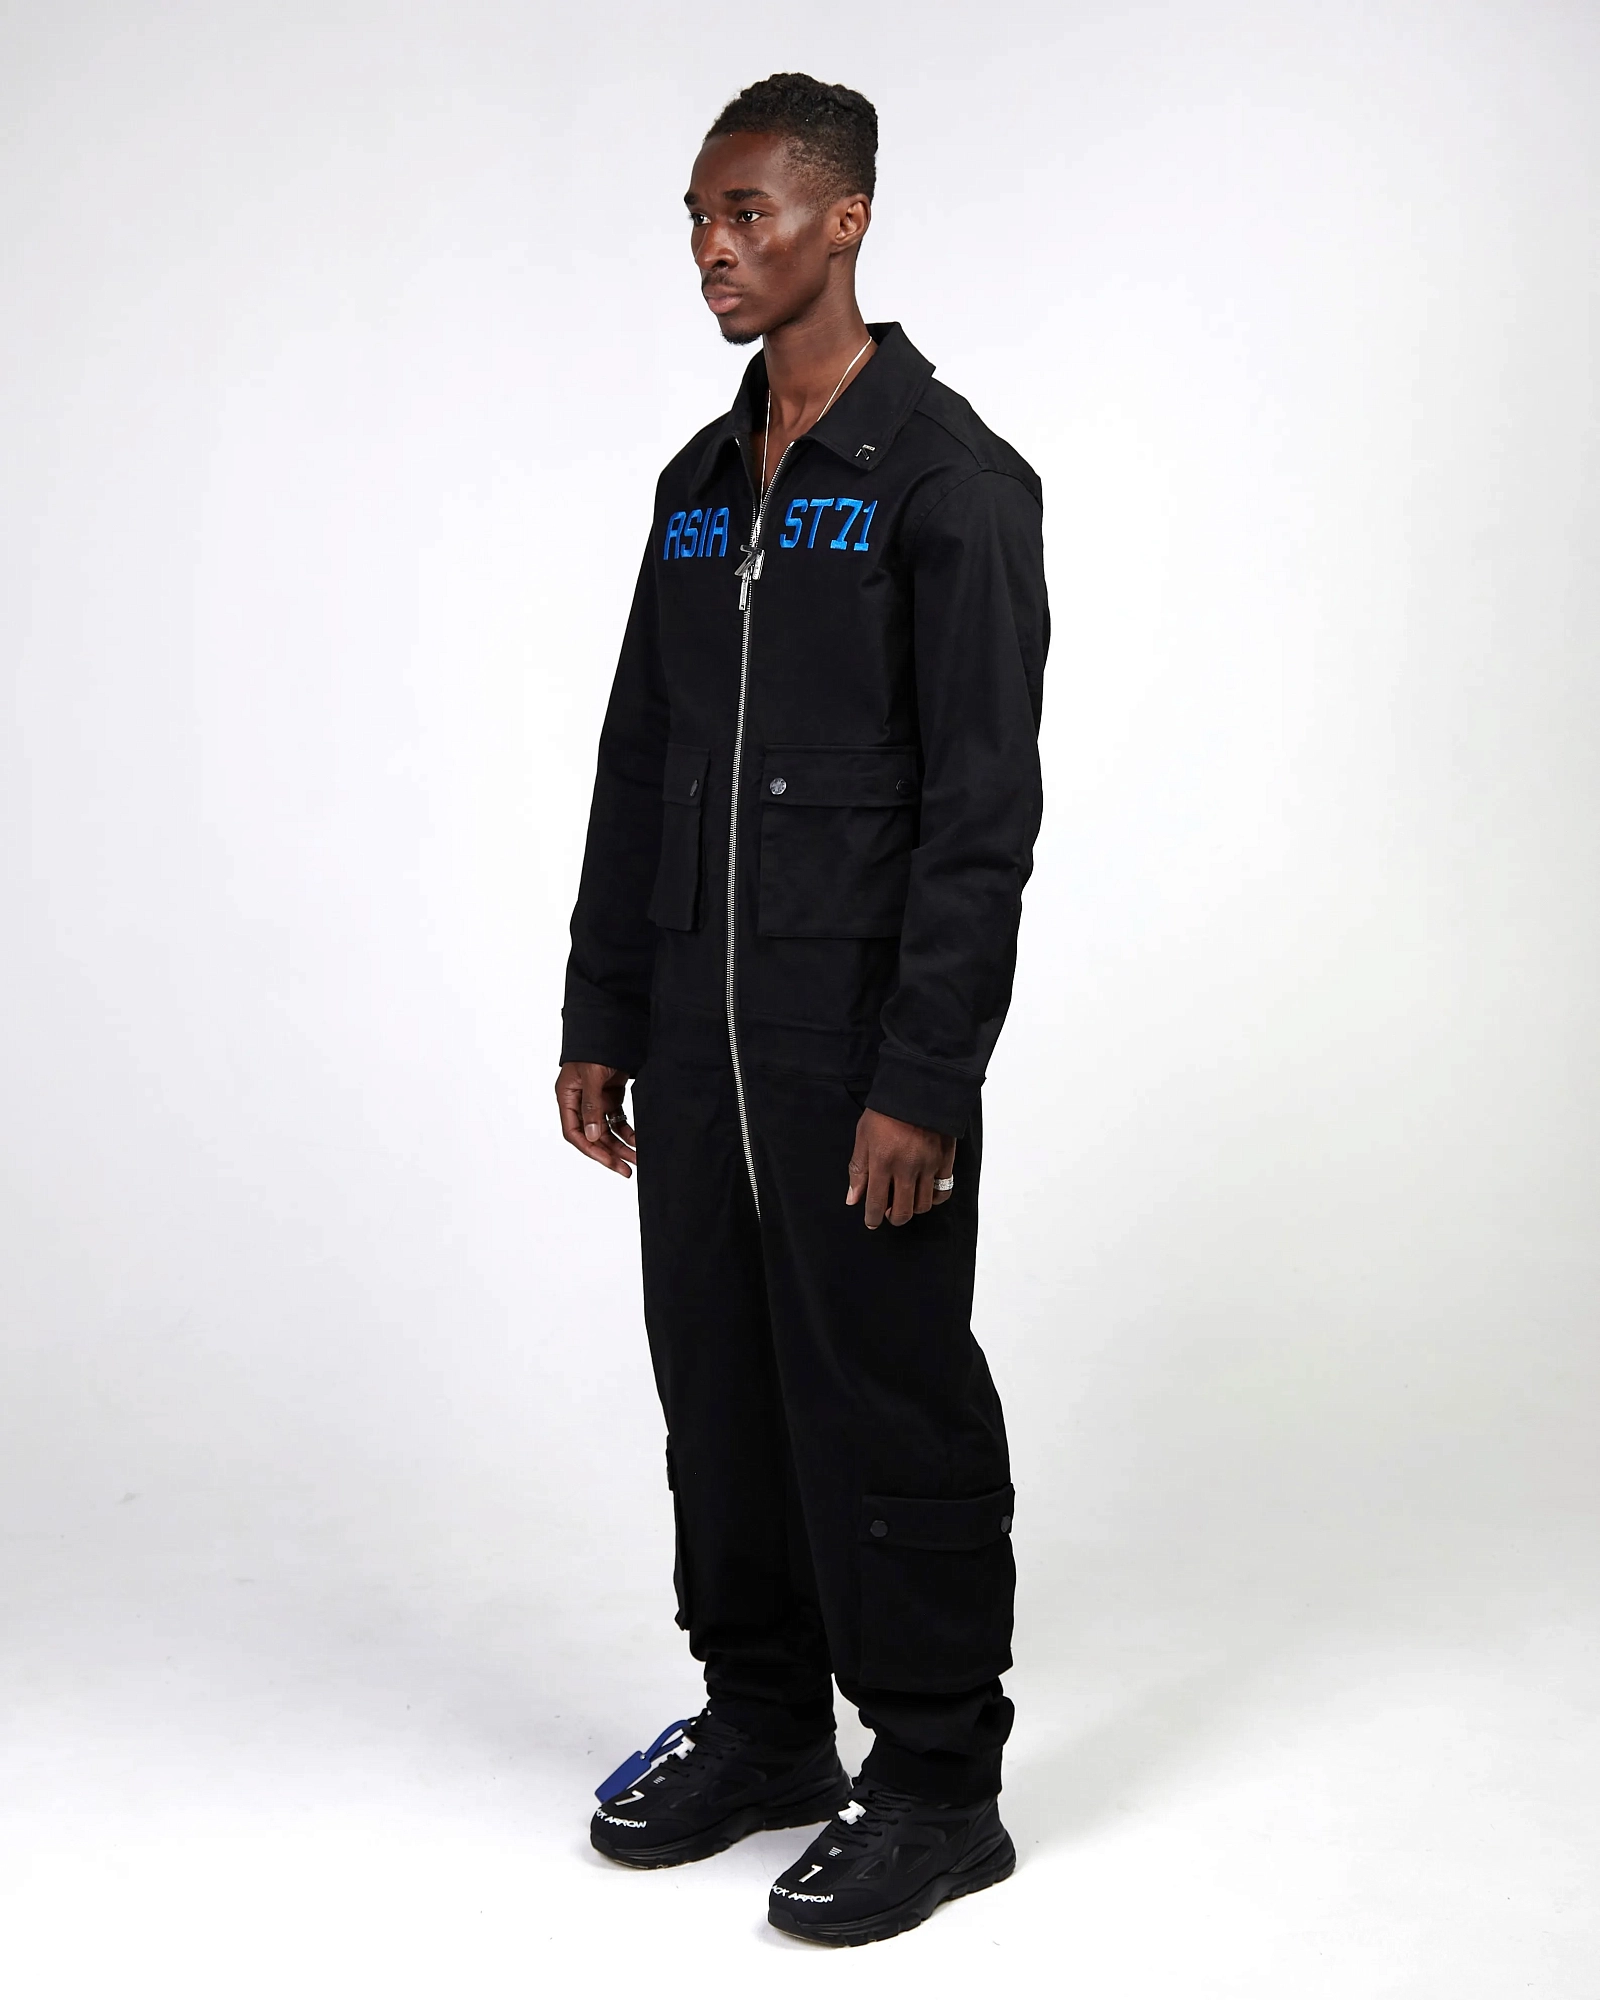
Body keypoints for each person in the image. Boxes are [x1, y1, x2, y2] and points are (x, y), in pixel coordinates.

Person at [555, 72, 1048, 1947]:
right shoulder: (698, 489)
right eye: (698, 217)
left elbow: (982, 815)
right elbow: (640, 763)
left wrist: (926, 1075)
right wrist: (604, 1009)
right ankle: (767, 1725)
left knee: (886, 1397)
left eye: (746, 214)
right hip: (698, 1041)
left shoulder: (948, 484)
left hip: (858, 1050)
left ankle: (934, 1782)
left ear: (846, 220)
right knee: (720, 1388)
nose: (712, 248)